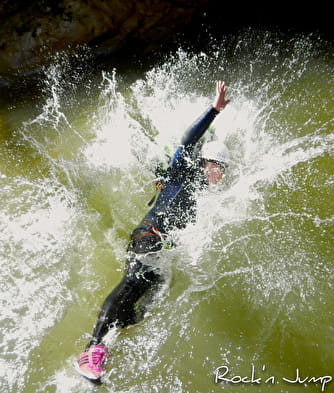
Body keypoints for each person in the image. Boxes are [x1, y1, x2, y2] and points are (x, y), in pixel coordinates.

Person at [76, 81, 230, 383]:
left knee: (143, 307)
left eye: (224, 169)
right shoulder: (181, 171)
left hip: (162, 249)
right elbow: (188, 140)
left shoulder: (203, 197)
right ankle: (92, 349)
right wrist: (214, 110)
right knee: (133, 281)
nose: (221, 174)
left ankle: (106, 344)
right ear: (206, 163)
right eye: (219, 167)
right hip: (148, 236)